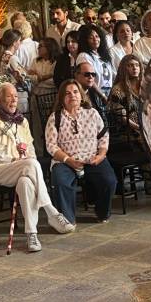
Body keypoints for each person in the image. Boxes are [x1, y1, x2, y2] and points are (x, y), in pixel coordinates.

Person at [0, 83, 75, 252]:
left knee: (25, 182)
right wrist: (15, 159)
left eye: (15, 96)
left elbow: (31, 150)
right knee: (31, 164)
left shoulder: (22, 122)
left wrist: (25, 157)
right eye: (9, 96)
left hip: (22, 168)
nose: (14, 100)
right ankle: (51, 212)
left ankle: (31, 234)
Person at [46, 79, 117, 224]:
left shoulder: (92, 113)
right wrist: (68, 160)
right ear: (62, 98)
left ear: (81, 95)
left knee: (109, 181)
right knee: (60, 181)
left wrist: (101, 156)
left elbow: (103, 137)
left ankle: (102, 213)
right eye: (67, 93)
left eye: (75, 92)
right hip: (65, 161)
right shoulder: (55, 118)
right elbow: (51, 145)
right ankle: (67, 221)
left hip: (92, 158)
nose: (72, 95)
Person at [107, 54, 143, 140]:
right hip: (127, 134)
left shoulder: (145, 86)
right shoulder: (118, 90)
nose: (134, 68)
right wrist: (140, 128)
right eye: (130, 65)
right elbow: (122, 118)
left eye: (137, 65)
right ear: (124, 69)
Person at [76, 25, 114, 95]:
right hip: (94, 95)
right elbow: (88, 79)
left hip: (108, 94)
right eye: (91, 37)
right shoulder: (84, 56)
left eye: (97, 36)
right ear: (85, 41)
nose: (95, 39)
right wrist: (102, 96)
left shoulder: (103, 55)